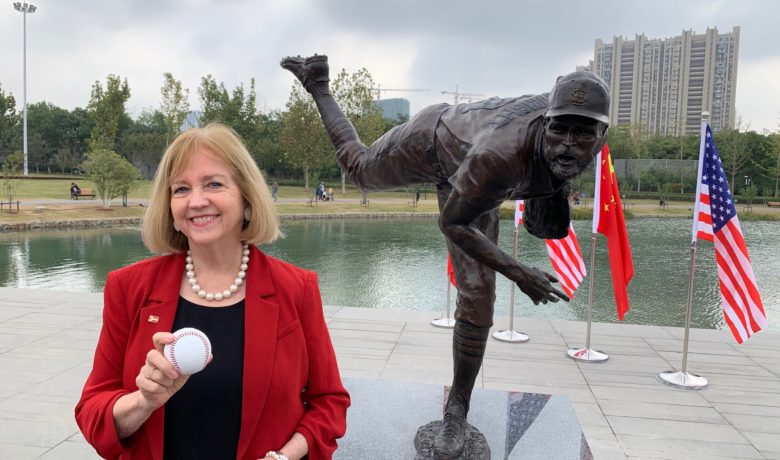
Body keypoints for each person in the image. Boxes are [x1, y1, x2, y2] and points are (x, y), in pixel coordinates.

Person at [281, 54, 609, 458]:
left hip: (476, 173)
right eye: (559, 130)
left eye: (584, 134)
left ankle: (457, 409)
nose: (569, 143)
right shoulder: (499, 156)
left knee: (477, 294)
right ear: (546, 122)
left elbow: (546, 222)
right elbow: (453, 223)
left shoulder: (569, 121)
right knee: (359, 169)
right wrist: (520, 273)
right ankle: (318, 84)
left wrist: (557, 183)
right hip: (432, 143)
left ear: (602, 133)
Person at [75, 123, 350, 460]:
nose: (196, 201)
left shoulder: (296, 289)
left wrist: (284, 458)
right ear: (170, 209)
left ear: (247, 198)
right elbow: (92, 411)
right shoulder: (129, 288)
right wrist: (143, 400)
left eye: (214, 184)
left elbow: (329, 402)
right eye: (180, 189)